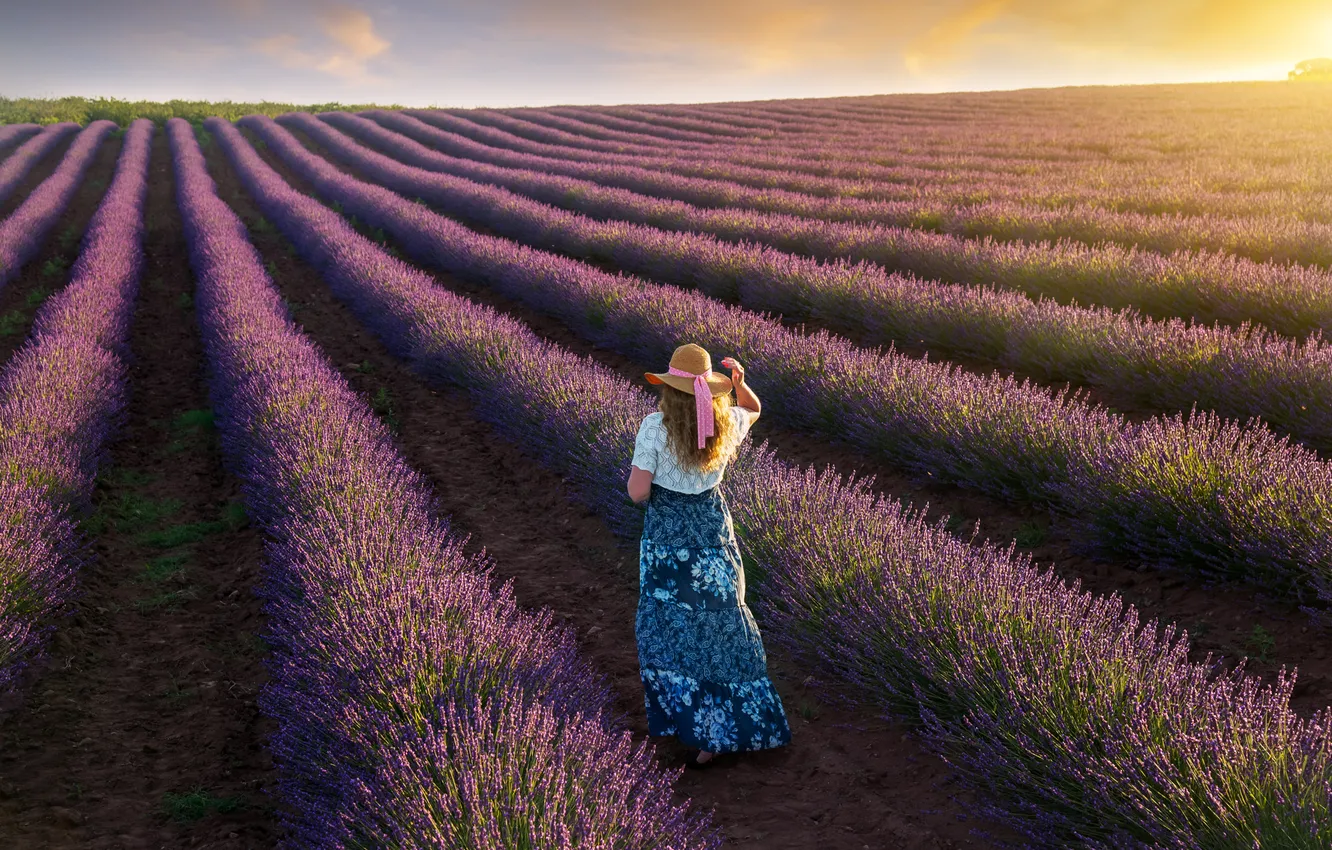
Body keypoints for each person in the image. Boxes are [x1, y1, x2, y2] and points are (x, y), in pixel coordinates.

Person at [626, 343, 791, 769]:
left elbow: (638, 492)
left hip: (668, 542)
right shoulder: (727, 421)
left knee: (672, 626)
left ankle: (694, 724)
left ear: (669, 388)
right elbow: (753, 408)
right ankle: (733, 728)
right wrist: (740, 384)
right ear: (711, 392)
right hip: (713, 536)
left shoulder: (653, 428)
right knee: (722, 626)